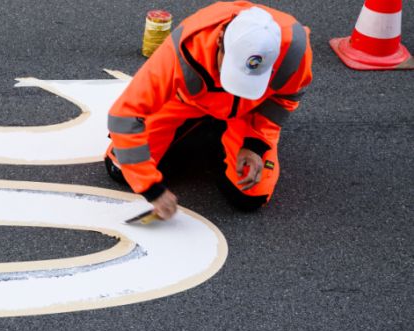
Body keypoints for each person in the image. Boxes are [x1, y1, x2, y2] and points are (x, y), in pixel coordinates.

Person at [105, 1, 313, 219]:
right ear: (220, 38)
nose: (233, 86)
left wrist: (255, 145)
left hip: (247, 115)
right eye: (232, 70)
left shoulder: (294, 52)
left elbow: (284, 99)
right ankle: (207, 131)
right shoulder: (184, 48)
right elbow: (124, 115)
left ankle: (217, 136)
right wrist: (151, 188)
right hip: (188, 104)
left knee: (249, 196)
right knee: (121, 169)